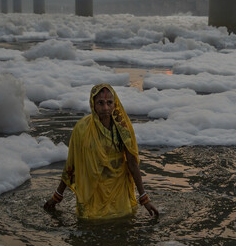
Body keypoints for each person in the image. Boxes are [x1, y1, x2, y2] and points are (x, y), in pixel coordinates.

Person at [44, 83, 159, 219]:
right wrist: (57, 196)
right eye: (100, 103)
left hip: (119, 194)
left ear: (115, 103)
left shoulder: (123, 129)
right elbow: (72, 164)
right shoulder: (82, 129)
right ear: (93, 105)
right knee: (90, 224)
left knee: (122, 225)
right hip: (92, 194)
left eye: (109, 102)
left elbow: (132, 164)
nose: (105, 108)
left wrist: (144, 198)